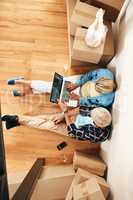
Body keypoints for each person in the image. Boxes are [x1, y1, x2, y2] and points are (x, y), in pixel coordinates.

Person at [1, 102, 112, 143]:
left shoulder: (97, 134)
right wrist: (64, 114)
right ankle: (17, 121)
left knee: (46, 125)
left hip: (73, 129)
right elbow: (81, 109)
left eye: (91, 116)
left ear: (97, 124)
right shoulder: (100, 111)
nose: (90, 113)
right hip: (73, 118)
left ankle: (17, 119)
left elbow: (73, 131)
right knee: (46, 118)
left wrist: (65, 112)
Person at [7, 68, 116, 108]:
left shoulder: (106, 100)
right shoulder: (104, 73)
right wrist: (76, 84)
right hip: (79, 83)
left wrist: (78, 98)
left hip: (80, 98)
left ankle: (29, 90)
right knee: (50, 87)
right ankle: (22, 81)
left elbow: (90, 103)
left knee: (56, 95)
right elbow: (88, 76)